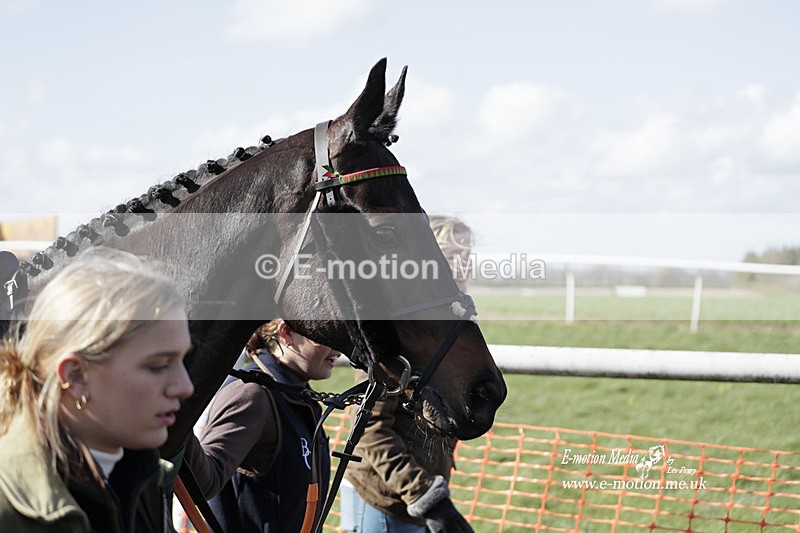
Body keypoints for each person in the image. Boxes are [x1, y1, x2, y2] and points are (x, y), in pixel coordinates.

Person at [0, 247, 195, 532]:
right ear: (76, 376)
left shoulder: (142, 477)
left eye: (182, 360)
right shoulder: (8, 509)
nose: (185, 387)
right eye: (158, 366)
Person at [340, 215, 475, 533]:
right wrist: (425, 494)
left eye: (469, 258)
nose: (465, 267)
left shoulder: (440, 327)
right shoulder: (393, 328)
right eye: (455, 258)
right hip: (382, 499)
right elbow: (370, 430)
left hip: (416, 497)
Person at [184, 319, 342, 532]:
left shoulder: (297, 395)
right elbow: (203, 483)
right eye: (327, 337)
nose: (339, 350)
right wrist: (177, 419)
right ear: (286, 333)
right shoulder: (252, 395)